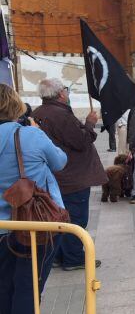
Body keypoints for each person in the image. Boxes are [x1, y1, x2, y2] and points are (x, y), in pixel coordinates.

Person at [0, 84, 68, 314]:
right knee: (29, 283)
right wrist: (38, 132)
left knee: (4, 283)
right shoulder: (29, 135)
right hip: (34, 223)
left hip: (2, 224)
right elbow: (60, 162)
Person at [32, 78, 106, 271]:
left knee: (58, 216)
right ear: (60, 93)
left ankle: (60, 255)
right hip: (72, 176)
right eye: (66, 89)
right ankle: (73, 257)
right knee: (76, 218)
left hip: (56, 175)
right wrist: (89, 124)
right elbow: (81, 141)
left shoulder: (39, 113)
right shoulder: (60, 115)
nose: (67, 92)